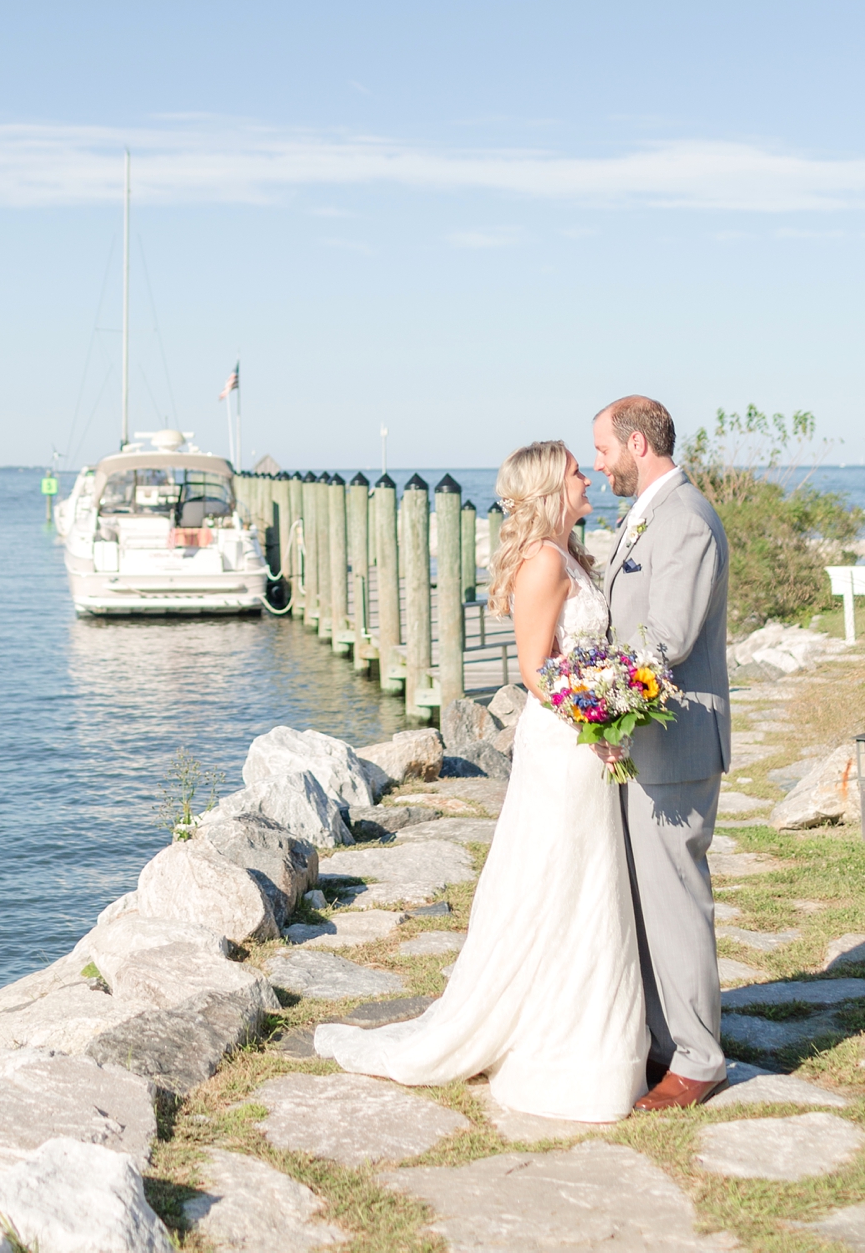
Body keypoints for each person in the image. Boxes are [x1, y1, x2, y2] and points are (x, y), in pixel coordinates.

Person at [313, 439, 648, 1123]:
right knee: (558, 877)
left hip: (586, 744)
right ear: (553, 487)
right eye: (578, 472)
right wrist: (599, 722)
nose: (589, 477)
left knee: (589, 882)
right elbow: (534, 670)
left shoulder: (573, 555)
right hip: (565, 745)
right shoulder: (544, 562)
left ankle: (593, 1027)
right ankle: (550, 1036)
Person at [593, 395, 730, 1110]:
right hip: (642, 737)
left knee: (676, 902)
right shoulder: (645, 514)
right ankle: (662, 1042)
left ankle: (700, 1060)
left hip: (674, 741)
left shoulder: (685, 520)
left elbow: (668, 639)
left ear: (638, 442)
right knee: (646, 903)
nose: (598, 462)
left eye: (604, 449)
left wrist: (593, 688)